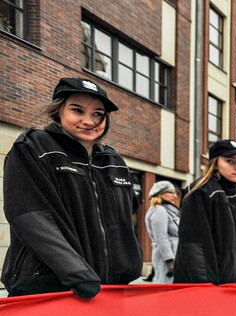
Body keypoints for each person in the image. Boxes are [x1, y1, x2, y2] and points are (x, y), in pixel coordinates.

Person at [1, 77, 142, 297]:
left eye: (98, 114)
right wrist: (78, 274)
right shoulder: (32, 148)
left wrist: (129, 268)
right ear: (58, 111)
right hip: (50, 290)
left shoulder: (114, 161)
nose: (89, 121)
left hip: (109, 290)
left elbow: (125, 219)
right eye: (77, 110)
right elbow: (30, 218)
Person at [173, 140, 236, 287]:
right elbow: (194, 244)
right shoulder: (200, 192)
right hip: (205, 286)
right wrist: (204, 283)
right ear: (215, 163)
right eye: (229, 161)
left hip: (231, 282)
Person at [144, 180, 181, 284]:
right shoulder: (159, 211)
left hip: (174, 254)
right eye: (171, 192)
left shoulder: (168, 211)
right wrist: (169, 260)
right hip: (167, 258)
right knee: (166, 286)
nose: (175, 196)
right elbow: (161, 238)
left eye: (175, 193)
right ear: (160, 194)